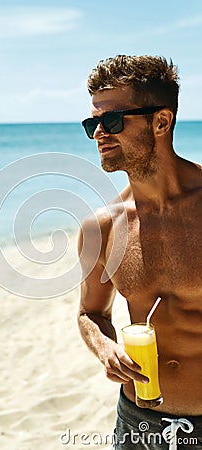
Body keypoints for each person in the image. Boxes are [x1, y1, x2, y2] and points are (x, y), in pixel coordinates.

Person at [77, 55, 202, 449]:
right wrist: (105, 348)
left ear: (161, 122)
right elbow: (90, 313)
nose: (99, 133)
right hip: (138, 425)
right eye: (91, 124)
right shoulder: (101, 227)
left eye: (112, 121)